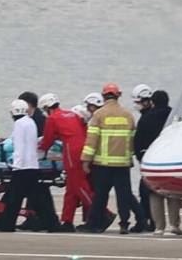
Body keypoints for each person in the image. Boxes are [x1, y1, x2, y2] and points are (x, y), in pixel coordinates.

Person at [77, 84, 139, 234]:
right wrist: (129, 158)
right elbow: (131, 141)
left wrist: (86, 160)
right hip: (122, 164)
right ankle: (124, 224)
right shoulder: (128, 115)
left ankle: (95, 224)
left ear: (104, 97)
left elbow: (91, 141)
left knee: (100, 196)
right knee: (123, 195)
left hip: (102, 164)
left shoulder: (99, 115)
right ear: (118, 96)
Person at [0, 100, 61, 232]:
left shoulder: (19, 124)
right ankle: (51, 223)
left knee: (14, 198)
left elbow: (19, 147)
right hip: (32, 165)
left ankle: (6, 225)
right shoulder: (30, 122)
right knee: (37, 197)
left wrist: (16, 165)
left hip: (22, 167)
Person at [37, 93, 91, 233]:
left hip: (71, 151)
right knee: (71, 188)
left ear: (47, 107)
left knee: (80, 186)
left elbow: (47, 141)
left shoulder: (52, 118)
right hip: (83, 148)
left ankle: (102, 212)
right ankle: (67, 221)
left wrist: (39, 149)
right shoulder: (72, 114)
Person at [136, 90, 182, 236]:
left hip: (153, 159)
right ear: (168, 101)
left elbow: (137, 142)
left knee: (155, 195)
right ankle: (175, 225)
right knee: (173, 194)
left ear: (153, 102)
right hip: (173, 159)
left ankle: (159, 227)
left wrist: (141, 157)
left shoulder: (146, 119)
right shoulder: (176, 118)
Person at [131, 84, 156, 232]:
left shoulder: (146, 118)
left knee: (145, 192)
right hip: (149, 159)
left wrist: (139, 153)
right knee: (147, 193)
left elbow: (139, 140)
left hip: (148, 160)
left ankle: (146, 221)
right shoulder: (149, 116)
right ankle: (150, 221)